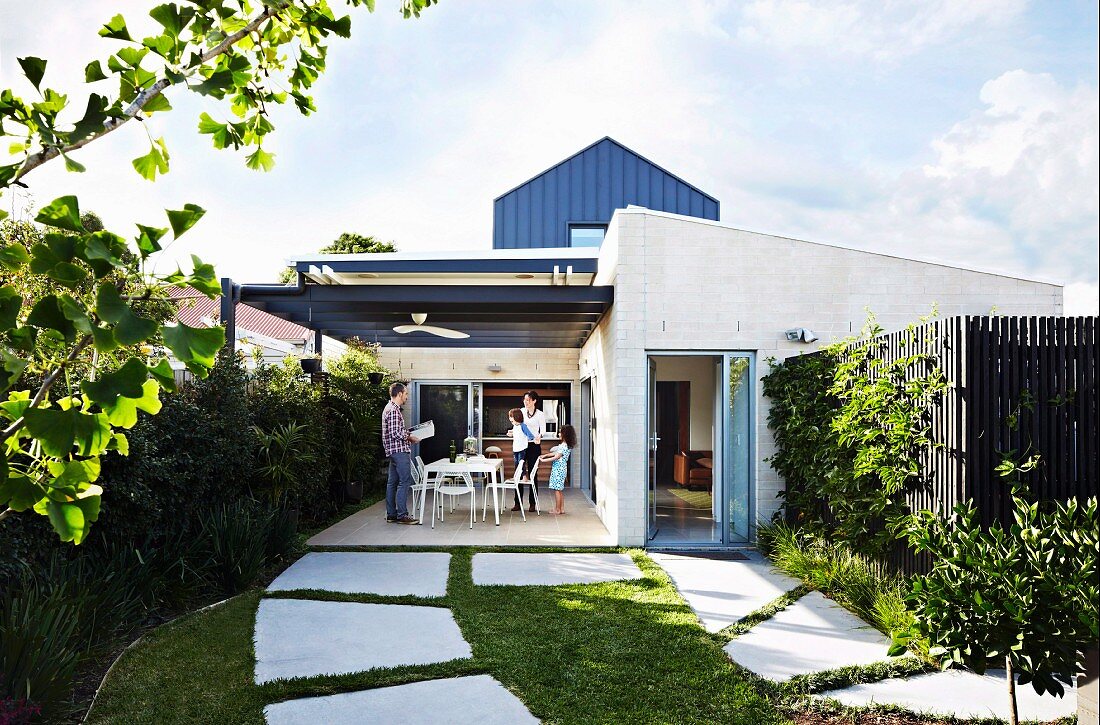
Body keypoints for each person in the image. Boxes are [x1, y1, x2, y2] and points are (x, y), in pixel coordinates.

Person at [382, 382, 420, 524]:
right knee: (405, 481)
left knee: (392, 482)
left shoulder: (390, 408)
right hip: (399, 451)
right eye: (406, 394)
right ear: (399, 394)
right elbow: (394, 433)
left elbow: (396, 431)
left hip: (393, 451)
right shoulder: (393, 410)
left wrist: (408, 432)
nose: (407, 397)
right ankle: (402, 515)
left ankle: (392, 514)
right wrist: (410, 437)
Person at [513, 389, 546, 512]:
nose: (526, 402)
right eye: (525, 400)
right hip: (521, 445)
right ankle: (517, 502)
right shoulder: (521, 411)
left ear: (534, 401)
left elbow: (543, 430)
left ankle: (532, 503)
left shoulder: (540, 414)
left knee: (533, 474)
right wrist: (512, 432)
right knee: (519, 473)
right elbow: (516, 425)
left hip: (533, 446)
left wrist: (539, 436)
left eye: (528, 400)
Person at [540, 424, 576, 515]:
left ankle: (557, 509)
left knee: (557, 490)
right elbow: (555, 453)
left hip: (558, 469)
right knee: (559, 490)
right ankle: (561, 509)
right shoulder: (566, 445)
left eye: (560, 432)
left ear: (565, 434)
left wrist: (544, 460)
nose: (559, 434)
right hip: (562, 468)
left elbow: (556, 457)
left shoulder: (563, 446)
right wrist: (546, 455)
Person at [507, 408, 530, 481]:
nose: (510, 420)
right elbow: (516, 433)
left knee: (521, 463)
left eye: (511, 417)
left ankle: (524, 477)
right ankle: (516, 476)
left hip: (522, 448)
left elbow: (529, 434)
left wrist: (534, 439)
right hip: (515, 448)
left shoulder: (523, 426)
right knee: (516, 463)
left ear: (517, 417)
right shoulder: (515, 426)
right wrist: (511, 434)